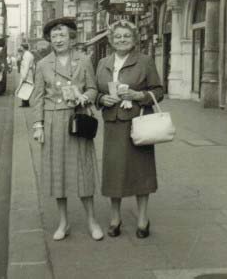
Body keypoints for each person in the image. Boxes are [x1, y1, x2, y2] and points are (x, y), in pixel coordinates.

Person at [32, 17, 103, 241]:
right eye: (54, 37)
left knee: (83, 170)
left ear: (71, 38)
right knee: (57, 173)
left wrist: (85, 97)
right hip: (53, 123)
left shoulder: (83, 60)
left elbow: (93, 88)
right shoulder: (43, 64)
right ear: (49, 40)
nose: (59, 40)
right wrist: (38, 125)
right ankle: (63, 222)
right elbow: (38, 98)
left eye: (63, 35)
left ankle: (92, 221)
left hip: (78, 120)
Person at [96, 20, 163, 239]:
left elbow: (158, 91)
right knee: (113, 173)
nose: (122, 39)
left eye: (126, 36)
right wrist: (100, 98)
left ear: (134, 39)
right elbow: (94, 90)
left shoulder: (145, 61)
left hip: (138, 123)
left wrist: (138, 96)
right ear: (111, 40)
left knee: (141, 172)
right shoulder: (103, 63)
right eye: (118, 37)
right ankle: (115, 218)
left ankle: (143, 219)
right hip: (113, 125)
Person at [19, 43, 34, 107]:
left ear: (23, 47)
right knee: (25, 88)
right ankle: (25, 102)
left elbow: (26, 66)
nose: (20, 48)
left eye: (21, 47)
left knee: (25, 88)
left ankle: (25, 103)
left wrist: (24, 76)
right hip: (28, 73)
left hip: (27, 73)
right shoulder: (27, 54)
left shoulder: (27, 55)